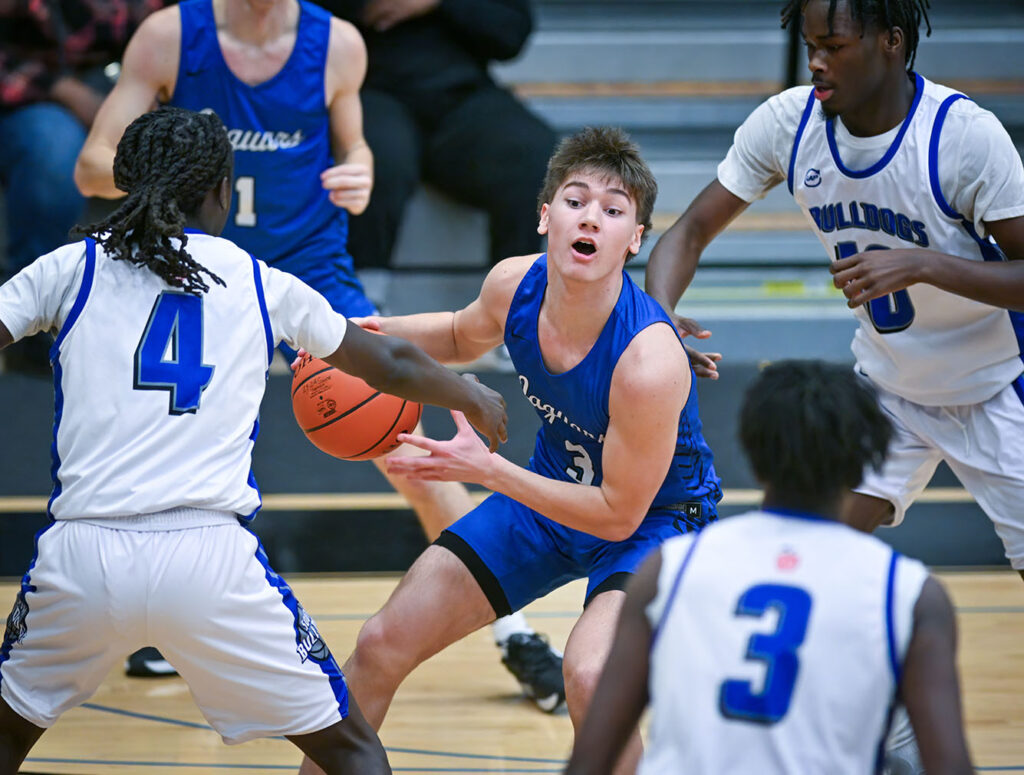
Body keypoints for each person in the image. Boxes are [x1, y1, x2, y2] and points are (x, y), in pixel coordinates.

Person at [72, 0, 563, 698]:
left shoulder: (337, 44)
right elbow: (91, 167)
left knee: (410, 446)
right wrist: (164, 177)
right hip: (198, 264)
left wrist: (358, 171)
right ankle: (166, 616)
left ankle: (514, 628)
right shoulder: (170, 36)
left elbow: (355, 146)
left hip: (310, 265)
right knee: (179, 440)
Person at [0, 106, 507, 773]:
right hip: (211, 557)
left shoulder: (72, 268)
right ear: (220, 192)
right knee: (351, 749)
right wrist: (469, 391)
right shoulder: (259, 280)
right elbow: (387, 363)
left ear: (129, 182)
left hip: (85, 553)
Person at [299, 126, 723, 775]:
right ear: (545, 216)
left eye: (614, 211)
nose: (592, 217)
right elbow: (458, 335)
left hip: (657, 526)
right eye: (577, 200)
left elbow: (617, 513)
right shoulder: (514, 285)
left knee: (587, 676)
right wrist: (348, 337)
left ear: (633, 238)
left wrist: (487, 470)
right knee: (382, 641)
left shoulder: (649, 359)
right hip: (553, 495)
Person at [645, 0, 1024, 567]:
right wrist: (658, 318)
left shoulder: (962, 137)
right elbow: (691, 231)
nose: (817, 63)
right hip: (891, 392)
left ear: (891, 43)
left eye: (835, 47)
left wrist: (922, 264)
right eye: (810, 48)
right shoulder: (788, 124)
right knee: (808, 560)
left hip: (999, 383)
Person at [563, 360, 974, 775]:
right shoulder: (911, 594)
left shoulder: (668, 570)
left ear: (752, 456)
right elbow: (951, 765)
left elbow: (592, 760)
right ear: (864, 462)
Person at [311, 0, 557, 269]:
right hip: (370, 88)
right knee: (375, 158)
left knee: (531, 152)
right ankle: (361, 301)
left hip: (460, 94)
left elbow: (511, 33)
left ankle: (513, 296)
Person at [0, 0, 163, 375]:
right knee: (53, 152)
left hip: (123, 73)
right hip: (32, 86)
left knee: (186, 131)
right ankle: (31, 322)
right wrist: (68, 92)